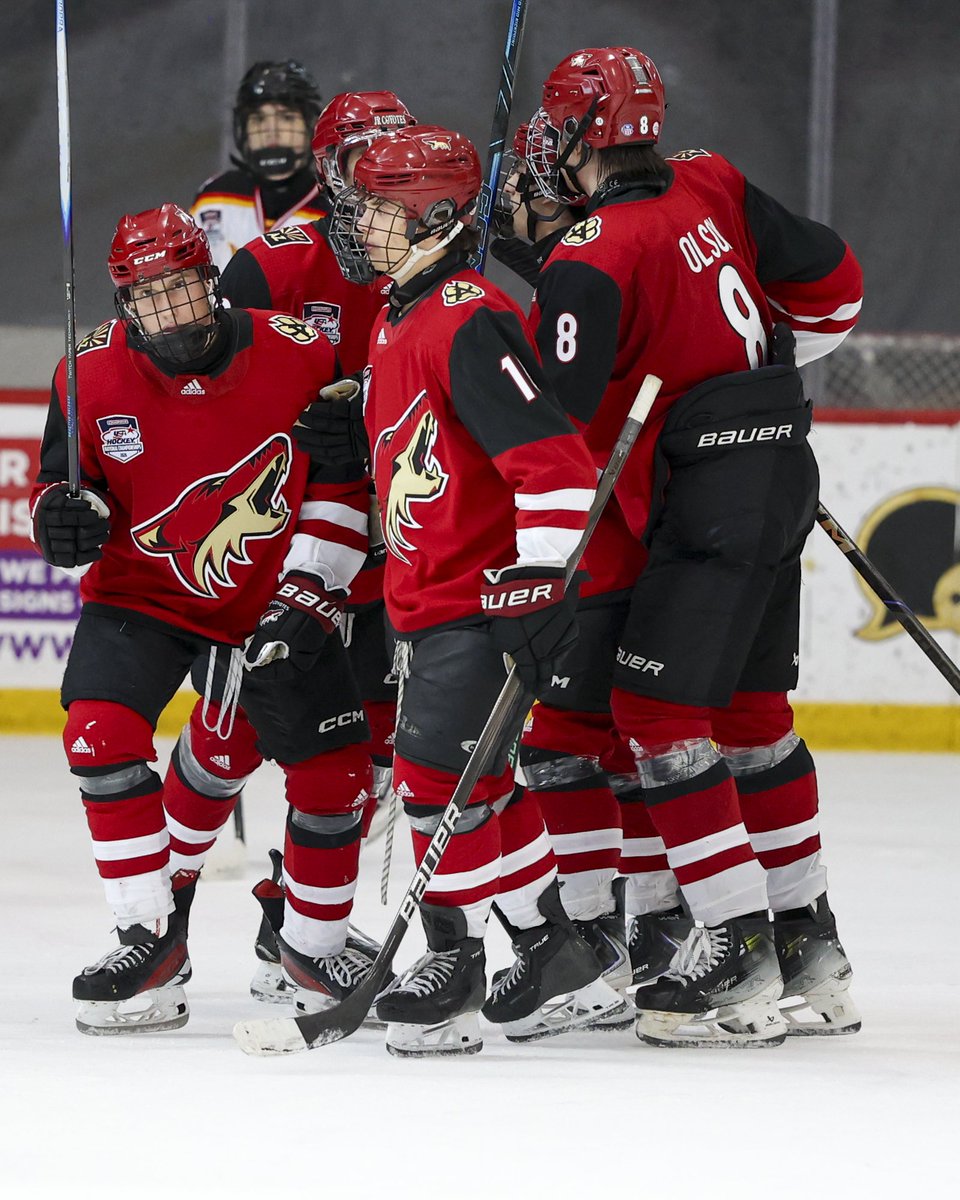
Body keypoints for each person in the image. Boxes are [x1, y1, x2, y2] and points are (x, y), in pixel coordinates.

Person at [517, 46, 863, 1046]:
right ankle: (811, 947)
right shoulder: (711, 176)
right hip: (777, 470)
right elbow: (835, 294)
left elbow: (557, 421)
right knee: (753, 717)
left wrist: (544, 293)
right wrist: (741, 380)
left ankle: (734, 951)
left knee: (655, 712)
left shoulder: (590, 255)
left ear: (581, 134)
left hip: (696, 500)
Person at [303, 124, 627, 1056]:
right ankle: (546, 936)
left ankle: (454, 957)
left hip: (479, 599)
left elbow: (556, 465)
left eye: (379, 210)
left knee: (431, 784)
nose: (361, 225)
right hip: (428, 593)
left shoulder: (466, 313)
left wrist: (536, 582)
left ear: (439, 217)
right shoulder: (397, 312)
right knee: (477, 784)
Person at [31, 203, 381, 1034]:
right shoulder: (85, 374)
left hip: (272, 598)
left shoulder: (301, 350)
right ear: (124, 304)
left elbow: (340, 486)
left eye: (182, 289)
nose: (169, 312)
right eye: (148, 298)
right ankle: (148, 936)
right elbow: (61, 484)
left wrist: (312, 588)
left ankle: (311, 946)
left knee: (335, 781)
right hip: (140, 596)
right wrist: (59, 517)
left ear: (210, 280)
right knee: (97, 733)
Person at [172, 92, 418, 1005]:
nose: (387, 181)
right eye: (365, 162)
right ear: (330, 171)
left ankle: (294, 924)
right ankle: (155, 921)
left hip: (389, 552)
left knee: (369, 759)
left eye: (401, 160)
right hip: (278, 555)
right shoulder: (271, 265)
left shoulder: (431, 259)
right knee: (228, 741)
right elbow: (212, 406)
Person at [191, 61, 325, 272]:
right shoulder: (214, 197)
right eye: (258, 119)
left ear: (310, 124)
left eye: (286, 117)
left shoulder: (332, 206)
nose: (271, 130)